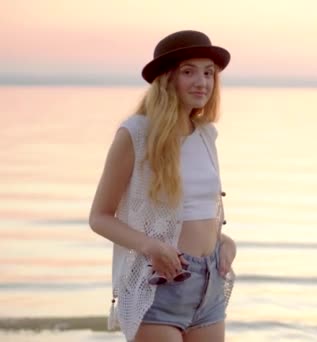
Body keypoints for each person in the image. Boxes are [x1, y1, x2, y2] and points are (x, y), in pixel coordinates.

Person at [89, 30, 237, 342]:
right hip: (158, 283)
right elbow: (100, 216)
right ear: (167, 79)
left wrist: (223, 240)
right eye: (189, 72)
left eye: (208, 73)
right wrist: (151, 247)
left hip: (208, 283)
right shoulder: (136, 133)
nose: (202, 82)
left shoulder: (206, 135)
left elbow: (189, 213)